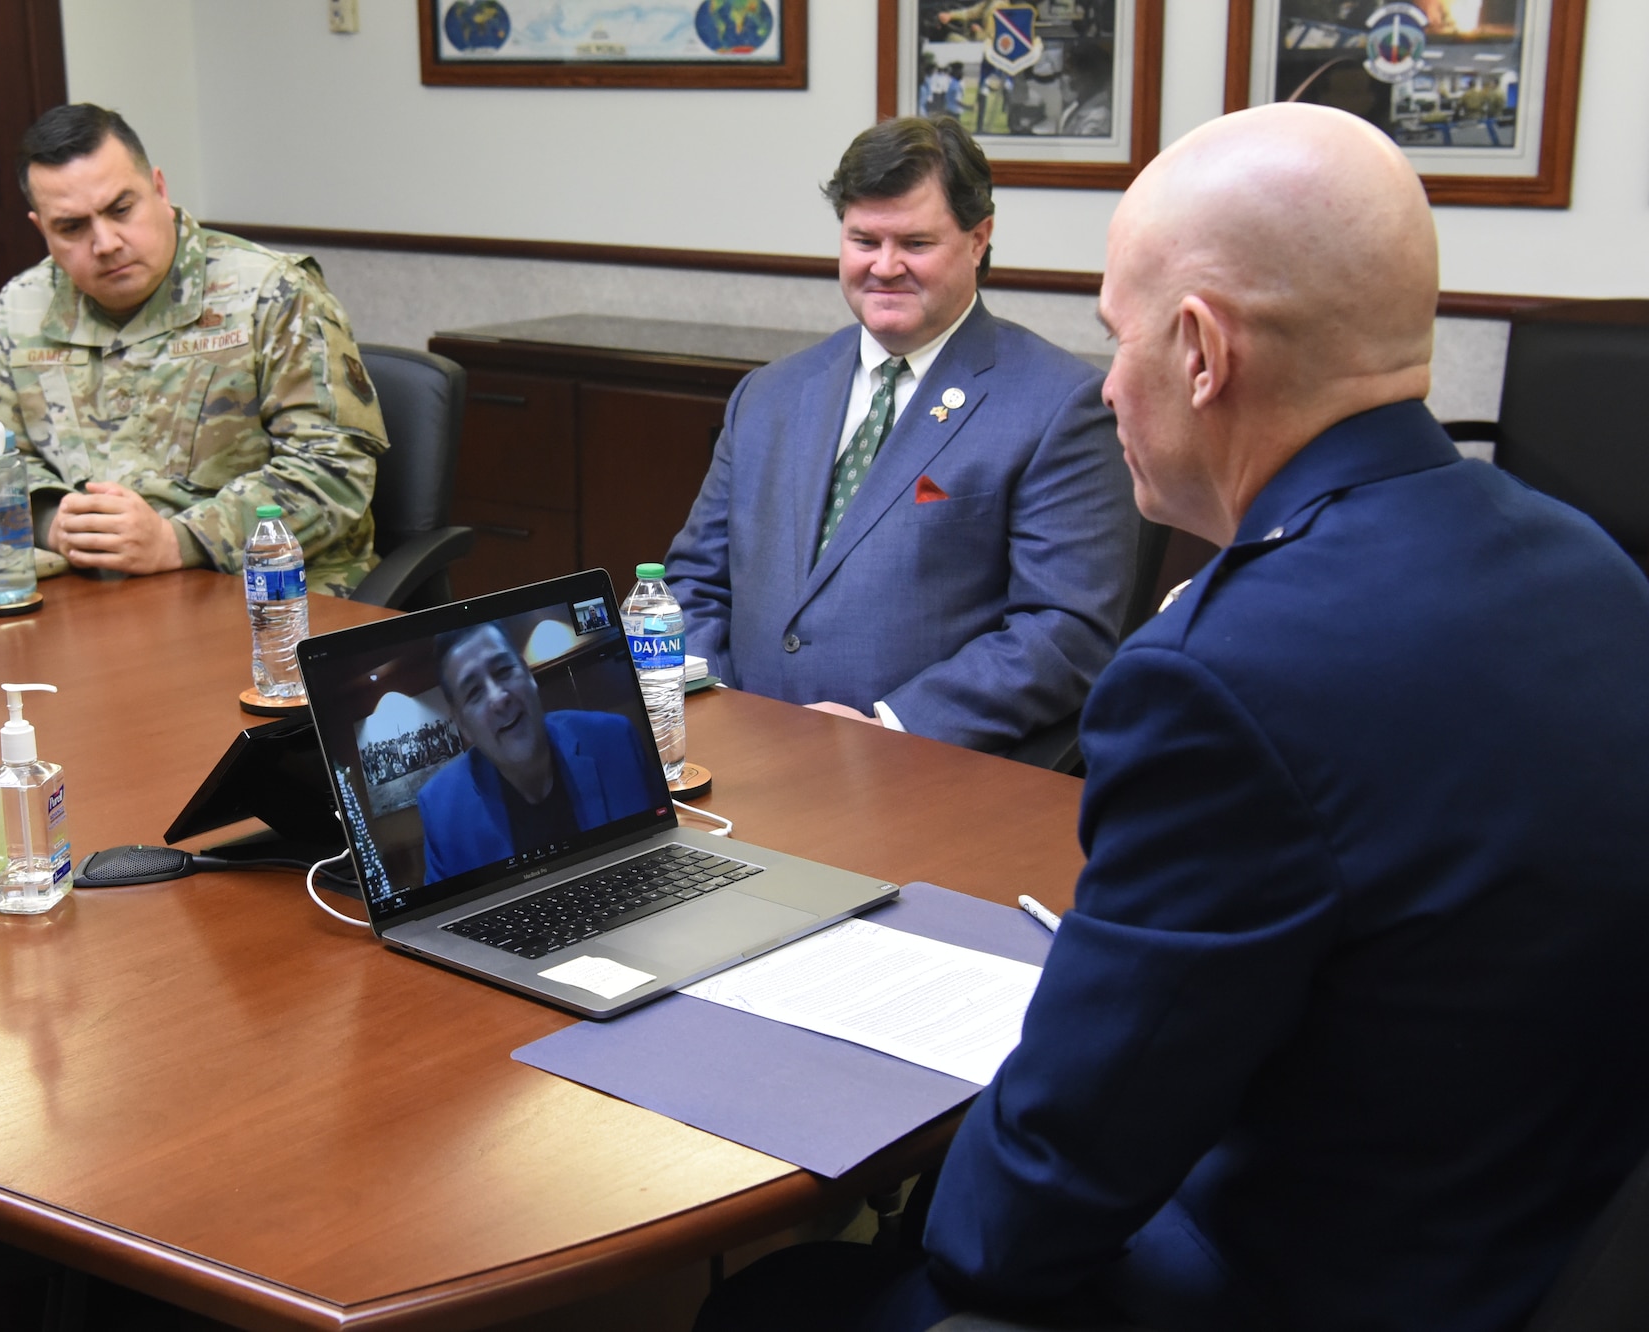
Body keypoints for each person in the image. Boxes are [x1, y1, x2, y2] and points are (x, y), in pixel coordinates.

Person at [694, 102, 1649, 1332]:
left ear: (1197, 352)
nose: (1105, 381)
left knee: (778, 1302)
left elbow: (1026, 1215)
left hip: (1303, 1279)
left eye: (1116, 336)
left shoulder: (1221, 669)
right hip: (1533, 1234)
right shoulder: (1583, 558)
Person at [663, 116, 1134, 753]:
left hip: (918, 776)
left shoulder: (1059, 406)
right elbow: (694, 580)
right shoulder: (769, 394)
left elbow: (1064, 630)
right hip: (742, 762)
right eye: (864, 240)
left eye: (914, 242)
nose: (885, 267)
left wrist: (889, 726)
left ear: (978, 239)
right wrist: (716, 705)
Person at [0, 104, 386, 591]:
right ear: (42, 230)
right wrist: (51, 520)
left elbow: (333, 468)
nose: (105, 242)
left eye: (121, 209)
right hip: (92, 593)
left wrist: (177, 540)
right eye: (72, 227)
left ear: (159, 189)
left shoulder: (272, 292)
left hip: (266, 593)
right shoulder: (21, 309)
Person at [415, 624, 659, 883]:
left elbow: (659, 844)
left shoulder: (615, 740)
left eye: (504, 671)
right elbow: (442, 917)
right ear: (463, 725)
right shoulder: (442, 811)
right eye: (474, 692)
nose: (499, 698)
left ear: (527, 674)